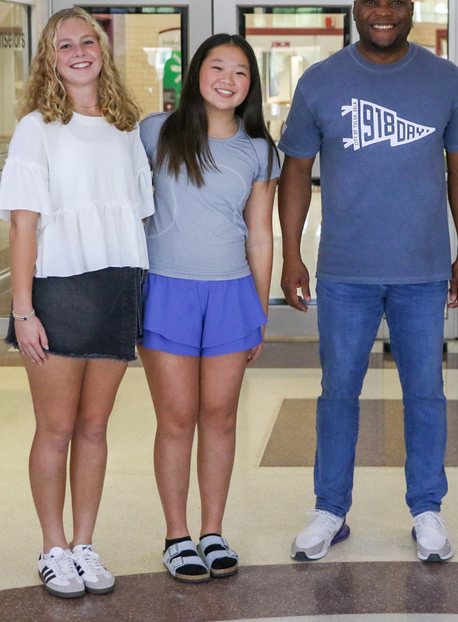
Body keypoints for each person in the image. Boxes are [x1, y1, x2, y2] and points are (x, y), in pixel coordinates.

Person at [278, 0, 458, 563]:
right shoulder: (321, 81)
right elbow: (295, 170)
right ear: (355, 7)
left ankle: (427, 511)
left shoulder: (445, 79)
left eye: (395, 2)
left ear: (413, 9)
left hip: (423, 272)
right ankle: (329, 510)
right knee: (338, 393)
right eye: (372, 1)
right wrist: (292, 253)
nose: (383, 12)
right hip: (345, 273)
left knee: (426, 393)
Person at [0, 7, 153, 598]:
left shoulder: (124, 125)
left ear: (102, 52)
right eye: (66, 46)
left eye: (88, 42)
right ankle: (53, 547)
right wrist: (23, 309)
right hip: (57, 292)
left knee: (94, 427)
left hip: (117, 287)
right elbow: (23, 227)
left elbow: (138, 213)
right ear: (50, 58)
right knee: (56, 428)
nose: (80, 52)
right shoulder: (37, 127)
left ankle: (85, 545)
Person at [137, 33, 279, 583]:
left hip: (231, 294)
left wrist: (259, 310)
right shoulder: (156, 132)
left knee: (219, 417)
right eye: (217, 67)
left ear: (250, 85)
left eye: (240, 72)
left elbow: (261, 236)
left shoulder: (260, 149)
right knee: (176, 419)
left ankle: (213, 530)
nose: (228, 79)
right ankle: (177, 536)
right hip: (167, 291)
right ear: (197, 73)